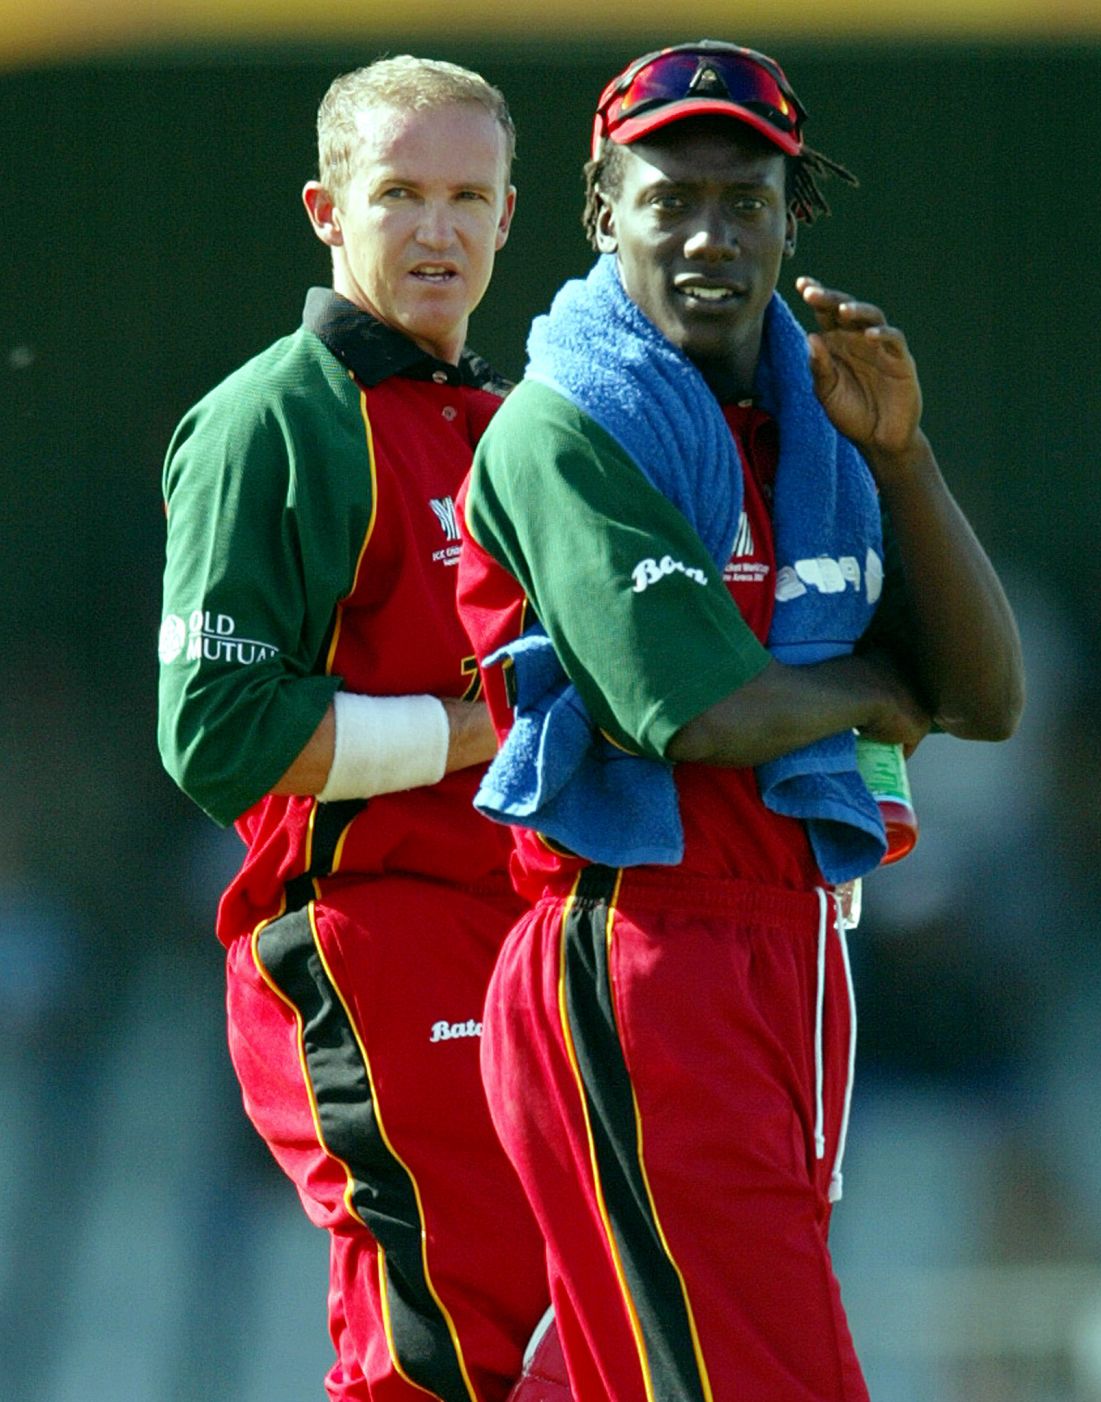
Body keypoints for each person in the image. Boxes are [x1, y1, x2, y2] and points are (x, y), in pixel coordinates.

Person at [456, 39, 1024, 1402]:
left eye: (745, 199)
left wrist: (899, 452)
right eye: (669, 198)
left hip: (794, 952)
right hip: (645, 951)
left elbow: (985, 695)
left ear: (790, 216)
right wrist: (879, 692)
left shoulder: (816, 422)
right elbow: (693, 707)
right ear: (603, 214)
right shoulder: (564, 424)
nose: (710, 234)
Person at [156, 56, 550, 1402]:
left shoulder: (509, 423)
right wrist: (471, 728)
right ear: (327, 210)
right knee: (434, 1346)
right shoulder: (272, 417)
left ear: (509, 217)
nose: (435, 228)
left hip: (519, 930)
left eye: (465, 195)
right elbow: (216, 732)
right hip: (370, 937)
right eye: (399, 194)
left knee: (546, 1345)